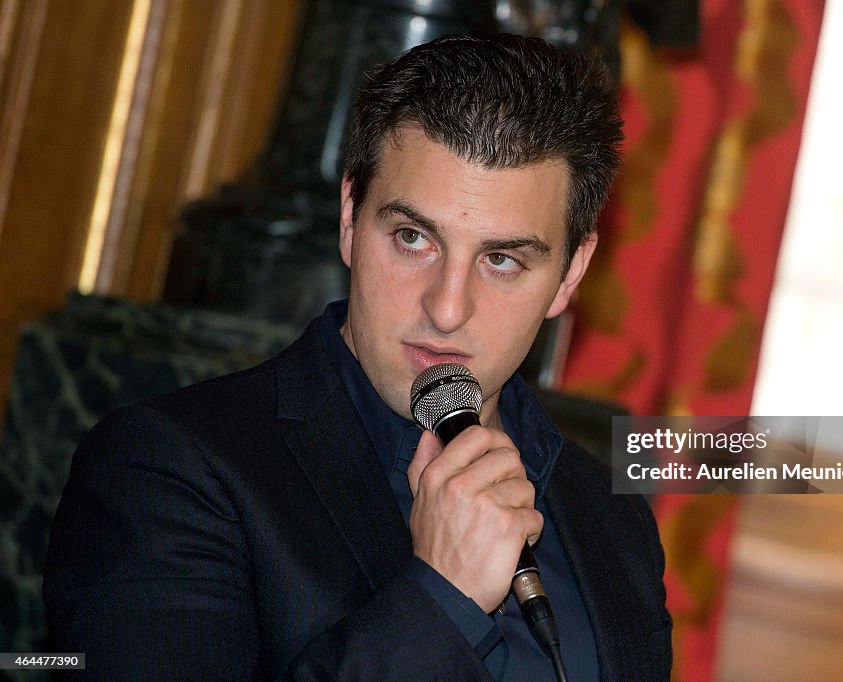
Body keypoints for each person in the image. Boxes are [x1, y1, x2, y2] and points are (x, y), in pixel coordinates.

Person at [44, 33, 672, 680]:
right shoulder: (168, 472)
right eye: (412, 238)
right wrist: (443, 599)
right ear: (349, 218)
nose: (447, 308)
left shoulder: (611, 518)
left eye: (502, 260)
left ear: (570, 275)